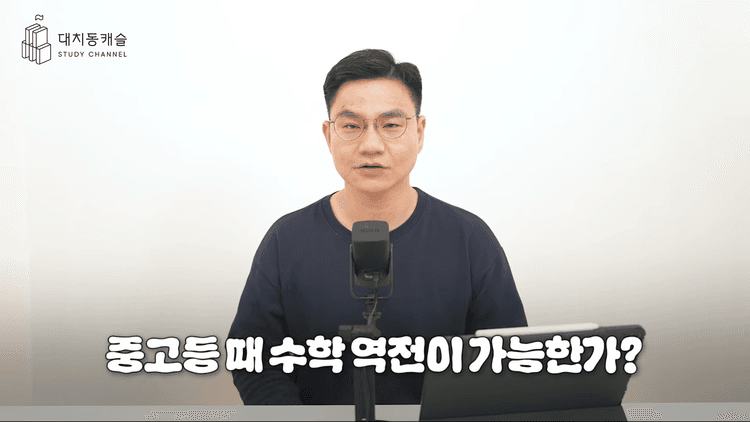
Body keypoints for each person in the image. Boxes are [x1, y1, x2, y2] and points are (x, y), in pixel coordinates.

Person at [228, 49, 527, 405]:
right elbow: (255, 362)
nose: (371, 145)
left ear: (419, 132)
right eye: (351, 126)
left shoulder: (470, 239)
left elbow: (507, 361)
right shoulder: (287, 240)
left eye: (391, 125)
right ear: (328, 135)